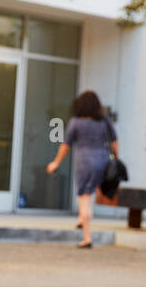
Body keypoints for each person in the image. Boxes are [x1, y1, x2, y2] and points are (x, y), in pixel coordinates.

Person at [45, 90, 118, 248]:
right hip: (103, 160)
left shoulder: (76, 122)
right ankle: (81, 219)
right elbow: (114, 142)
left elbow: (66, 146)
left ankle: (87, 237)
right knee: (91, 193)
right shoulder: (104, 121)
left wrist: (56, 163)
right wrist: (116, 160)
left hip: (84, 161)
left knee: (84, 196)